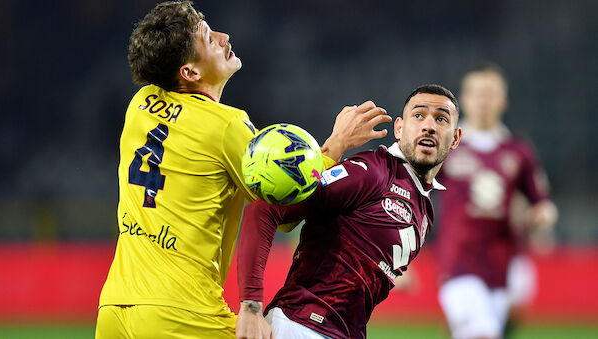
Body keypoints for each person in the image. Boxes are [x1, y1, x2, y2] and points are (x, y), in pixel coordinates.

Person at [95, 1, 391, 338]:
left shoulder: (139, 105)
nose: (223, 38)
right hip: (182, 312)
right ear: (189, 72)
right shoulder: (227, 126)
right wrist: (335, 145)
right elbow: (287, 206)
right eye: (208, 39)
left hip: (114, 308)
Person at [236, 84, 463, 339]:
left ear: (455, 138)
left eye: (441, 119)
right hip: (300, 326)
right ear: (399, 128)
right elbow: (264, 211)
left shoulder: (425, 212)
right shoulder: (372, 171)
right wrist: (250, 305)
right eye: (418, 115)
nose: (429, 126)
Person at [435, 63, 558, 339]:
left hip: (502, 266)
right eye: (477, 93)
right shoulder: (446, 147)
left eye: (490, 94)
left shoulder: (518, 151)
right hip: (458, 262)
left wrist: (543, 216)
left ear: (503, 101)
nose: (483, 101)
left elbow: (542, 202)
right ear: (463, 100)